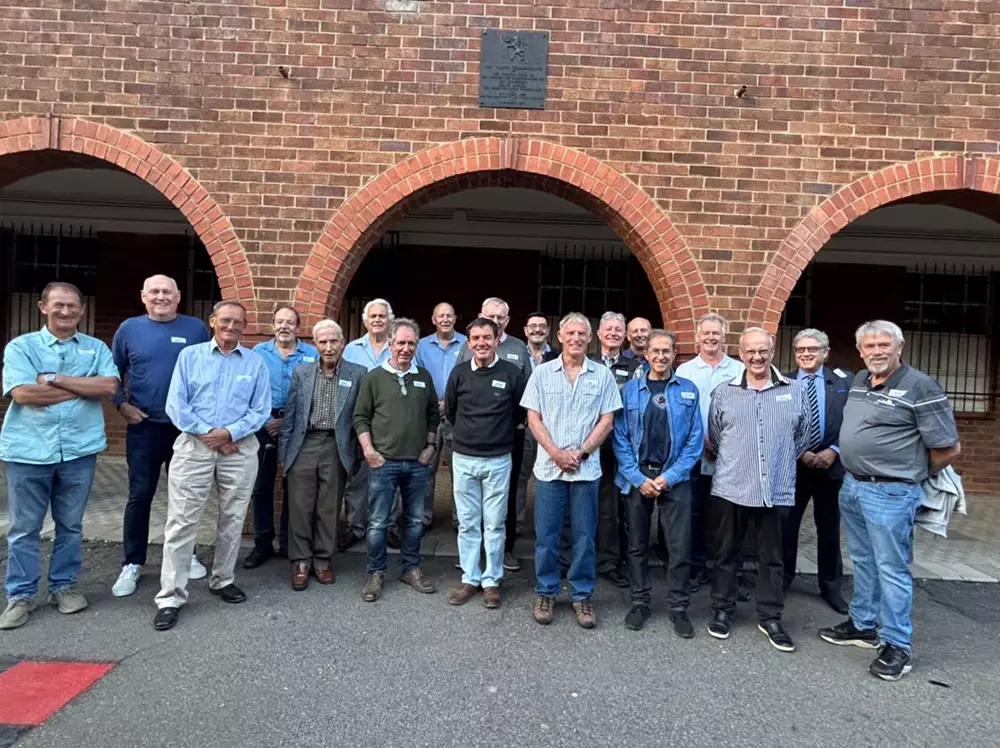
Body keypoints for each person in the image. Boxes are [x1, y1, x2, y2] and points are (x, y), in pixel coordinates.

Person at [819, 320, 960, 682]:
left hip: (891, 493)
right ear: (860, 350)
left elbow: (947, 448)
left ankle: (897, 644)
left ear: (900, 347)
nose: (877, 351)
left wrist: (908, 473)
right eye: (870, 346)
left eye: (884, 345)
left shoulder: (920, 386)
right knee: (863, 560)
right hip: (853, 485)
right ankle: (863, 624)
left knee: (892, 568)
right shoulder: (859, 381)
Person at [0, 282, 118, 631]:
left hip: (79, 451)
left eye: (72, 306)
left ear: (82, 310)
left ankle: (63, 587)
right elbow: (23, 394)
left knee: (71, 525)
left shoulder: (96, 348)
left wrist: (53, 380)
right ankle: (20, 595)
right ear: (43, 307)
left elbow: (109, 387)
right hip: (28, 451)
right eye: (59, 305)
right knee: (24, 528)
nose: (66, 311)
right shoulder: (21, 347)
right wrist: (82, 388)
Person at [152, 301, 270, 632]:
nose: (232, 326)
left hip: (239, 449)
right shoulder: (189, 357)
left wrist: (230, 433)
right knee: (181, 522)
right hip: (195, 447)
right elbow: (177, 404)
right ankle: (170, 597)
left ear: (245, 326)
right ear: (213, 321)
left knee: (233, 518)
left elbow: (260, 409)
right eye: (225, 320)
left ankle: (222, 579)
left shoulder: (255, 362)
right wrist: (211, 435)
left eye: (238, 322)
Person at [706, 327, 807, 653]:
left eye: (763, 350)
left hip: (776, 488)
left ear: (772, 351)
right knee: (725, 554)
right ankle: (723, 609)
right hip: (732, 486)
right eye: (750, 351)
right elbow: (715, 435)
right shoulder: (725, 392)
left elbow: (803, 436)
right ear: (741, 353)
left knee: (772, 558)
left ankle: (770, 616)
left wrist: (779, 460)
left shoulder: (795, 390)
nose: (757, 357)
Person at [110, 275, 211, 598]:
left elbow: (209, 371)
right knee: (140, 494)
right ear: (143, 296)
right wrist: (121, 404)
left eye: (167, 291)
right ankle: (133, 562)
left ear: (178, 297)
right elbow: (111, 372)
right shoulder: (129, 329)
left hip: (186, 427)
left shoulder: (196, 329)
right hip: (145, 426)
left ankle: (185, 553)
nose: (161, 296)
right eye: (154, 291)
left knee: (185, 496)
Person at [521, 313, 622, 629]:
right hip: (549, 469)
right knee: (547, 536)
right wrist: (555, 453)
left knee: (584, 536)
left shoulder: (602, 375)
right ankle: (546, 591)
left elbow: (607, 419)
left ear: (590, 338)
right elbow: (533, 418)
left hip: (586, 469)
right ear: (560, 336)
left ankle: (581, 594)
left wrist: (581, 452)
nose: (576, 338)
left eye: (582, 333)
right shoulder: (542, 374)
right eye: (571, 333)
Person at [612, 330, 703, 636]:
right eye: (656, 351)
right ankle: (640, 602)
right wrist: (638, 478)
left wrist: (669, 477)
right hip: (638, 476)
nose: (661, 356)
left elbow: (694, 441)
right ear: (646, 354)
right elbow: (620, 438)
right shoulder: (630, 391)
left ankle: (678, 607)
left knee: (679, 547)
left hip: (674, 477)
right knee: (636, 545)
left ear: (674, 354)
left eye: (666, 351)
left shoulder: (688, 390)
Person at [354, 318, 440, 602]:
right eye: (400, 342)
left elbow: (433, 414)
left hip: (417, 463)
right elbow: (360, 417)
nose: (405, 348)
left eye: (411, 343)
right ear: (390, 344)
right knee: (378, 522)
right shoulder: (374, 377)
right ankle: (376, 572)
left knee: (414, 520)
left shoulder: (423, 377)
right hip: (383, 463)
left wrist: (430, 445)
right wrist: (369, 451)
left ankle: (410, 568)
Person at [445, 318, 526, 609]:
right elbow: (451, 411)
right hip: (464, 458)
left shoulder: (512, 373)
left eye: (487, 337)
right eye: (476, 338)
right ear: (469, 343)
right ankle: (470, 577)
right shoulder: (459, 374)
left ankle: (491, 580)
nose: (481, 343)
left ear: (496, 340)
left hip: (498, 459)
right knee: (468, 523)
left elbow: (520, 413)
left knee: (494, 524)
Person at [279, 319, 365, 591]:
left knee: (329, 507)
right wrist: (284, 454)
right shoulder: (302, 372)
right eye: (323, 342)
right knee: (300, 506)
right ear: (315, 344)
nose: (329, 347)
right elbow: (291, 415)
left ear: (342, 343)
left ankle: (322, 560)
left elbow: (361, 417)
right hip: (304, 443)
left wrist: (358, 454)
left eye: (333, 341)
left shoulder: (358, 373)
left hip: (336, 446)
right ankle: (301, 561)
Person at [458, 298, 532, 570]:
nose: (496, 321)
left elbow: (526, 393)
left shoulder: (519, 348)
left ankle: (506, 549)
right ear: (481, 315)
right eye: (491, 316)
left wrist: (513, 424)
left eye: (501, 317)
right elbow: (455, 395)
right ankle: (473, 555)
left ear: (507, 321)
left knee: (506, 495)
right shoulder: (468, 348)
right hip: (473, 439)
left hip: (509, 437)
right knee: (472, 501)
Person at [781, 328, 851, 614]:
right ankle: (782, 579)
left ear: (825, 352)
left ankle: (831, 587)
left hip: (830, 465)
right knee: (787, 526)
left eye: (812, 349)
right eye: (800, 350)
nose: (806, 354)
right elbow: (777, 423)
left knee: (829, 528)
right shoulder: (783, 382)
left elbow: (853, 423)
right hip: (794, 465)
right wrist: (800, 451)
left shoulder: (844, 382)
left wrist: (834, 450)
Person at [244, 305, 318, 570]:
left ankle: (289, 543)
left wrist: (288, 422)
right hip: (263, 424)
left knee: (294, 487)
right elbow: (250, 391)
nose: (284, 326)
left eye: (290, 322)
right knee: (261, 486)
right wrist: (267, 420)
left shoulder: (312, 354)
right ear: (272, 325)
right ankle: (263, 543)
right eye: (279, 321)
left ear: (298, 327)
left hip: (298, 425)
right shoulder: (258, 353)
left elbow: (315, 392)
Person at [675, 312, 746, 593]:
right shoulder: (685, 371)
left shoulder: (739, 370)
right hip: (694, 456)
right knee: (694, 514)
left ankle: (731, 574)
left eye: (716, 333)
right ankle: (696, 569)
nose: (711, 338)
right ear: (697, 337)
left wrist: (721, 442)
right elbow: (680, 414)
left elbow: (745, 411)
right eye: (705, 333)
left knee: (731, 517)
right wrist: (703, 440)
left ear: (724, 336)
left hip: (730, 456)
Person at [338, 298, 394, 551]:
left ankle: (388, 526)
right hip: (358, 422)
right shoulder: (351, 350)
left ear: (389, 320)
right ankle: (355, 526)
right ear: (365, 321)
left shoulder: (398, 346)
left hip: (390, 422)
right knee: (357, 478)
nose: (378, 320)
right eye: (373, 316)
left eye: (382, 316)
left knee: (390, 477)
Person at [592, 311, 641, 588]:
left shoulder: (635, 367)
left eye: (618, 330)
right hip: (590, 444)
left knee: (613, 508)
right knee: (585, 504)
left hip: (621, 446)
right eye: (608, 329)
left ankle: (609, 562)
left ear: (624, 336)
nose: (613, 333)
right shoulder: (588, 362)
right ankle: (579, 558)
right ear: (599, 334)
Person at [409, 302, 466, 536]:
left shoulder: (467, 344)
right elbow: (415, 377)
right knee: (425, 468)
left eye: (449, 315)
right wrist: (435, 404)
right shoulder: (421, 346)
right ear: (434, 319)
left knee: (460, 471)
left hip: (458, 416)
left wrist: (449, 403)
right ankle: (422, 518)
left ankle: (461, 520)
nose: (445, 319)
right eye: (441, 316)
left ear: (455, 318)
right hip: (428, 416)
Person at [513, 312, 559, 559]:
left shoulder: (558, 356)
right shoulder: (517, 354)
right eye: (533, 326)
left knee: (548, 477)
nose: (537, 330)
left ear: (548, 331)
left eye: (542, 326)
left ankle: (546, 527)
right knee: (520, 477)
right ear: (525, 330)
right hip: (523, 424)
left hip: (550, 426)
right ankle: (517, 524)